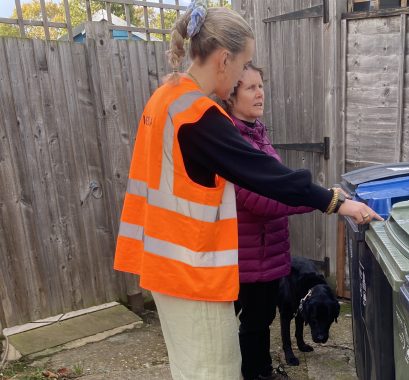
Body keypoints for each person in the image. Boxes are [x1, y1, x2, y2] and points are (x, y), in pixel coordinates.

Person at [113, 2, 381, 379]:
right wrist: (338, 202)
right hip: (192, 273)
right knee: (213, 370)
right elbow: (265, 176)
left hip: (166, 266)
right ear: (224, 59)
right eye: (243, 66)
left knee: (190, 368)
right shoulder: (198, 115)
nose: (243, 78)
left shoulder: (166, 98)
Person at [224, 64, 312, 380]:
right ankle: (255, 374)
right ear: (231, 96)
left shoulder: (257, 132)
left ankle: (259, 371)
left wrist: (302, 188)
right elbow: (257, 199)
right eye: (250, 88)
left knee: (260, 317)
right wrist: (315, 199)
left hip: (266, 251)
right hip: (249, 253)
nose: (259, 93)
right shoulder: (233, 138)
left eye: (261, 86)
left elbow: (277, 180)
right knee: (253, 320)